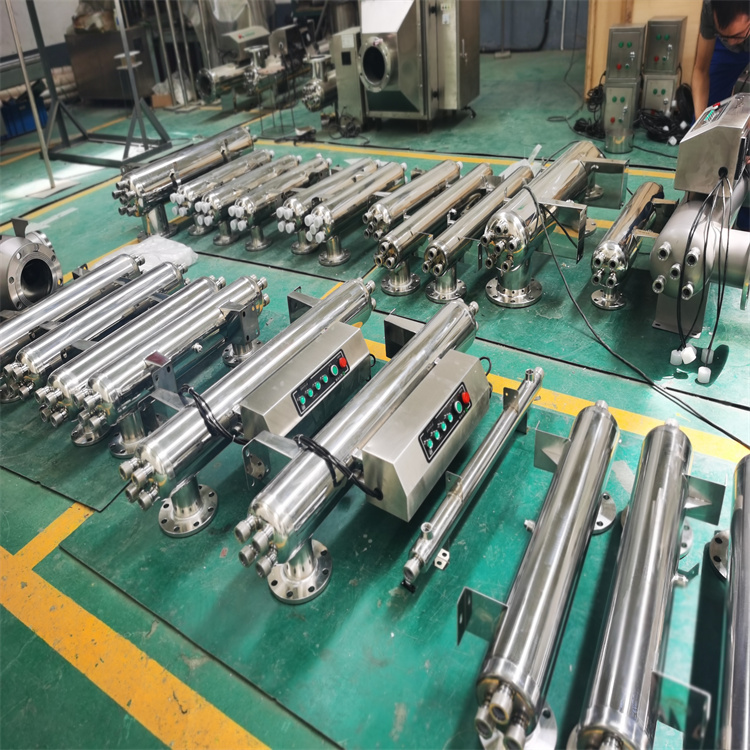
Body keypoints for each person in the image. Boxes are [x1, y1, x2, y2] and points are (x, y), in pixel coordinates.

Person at [692, 0, 750, 116]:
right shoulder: (710, 5)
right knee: (709, 111)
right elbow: (701, 70)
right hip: (723, 50)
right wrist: (701, 121)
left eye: (737, 35)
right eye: (724, 35)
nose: (731, 43)